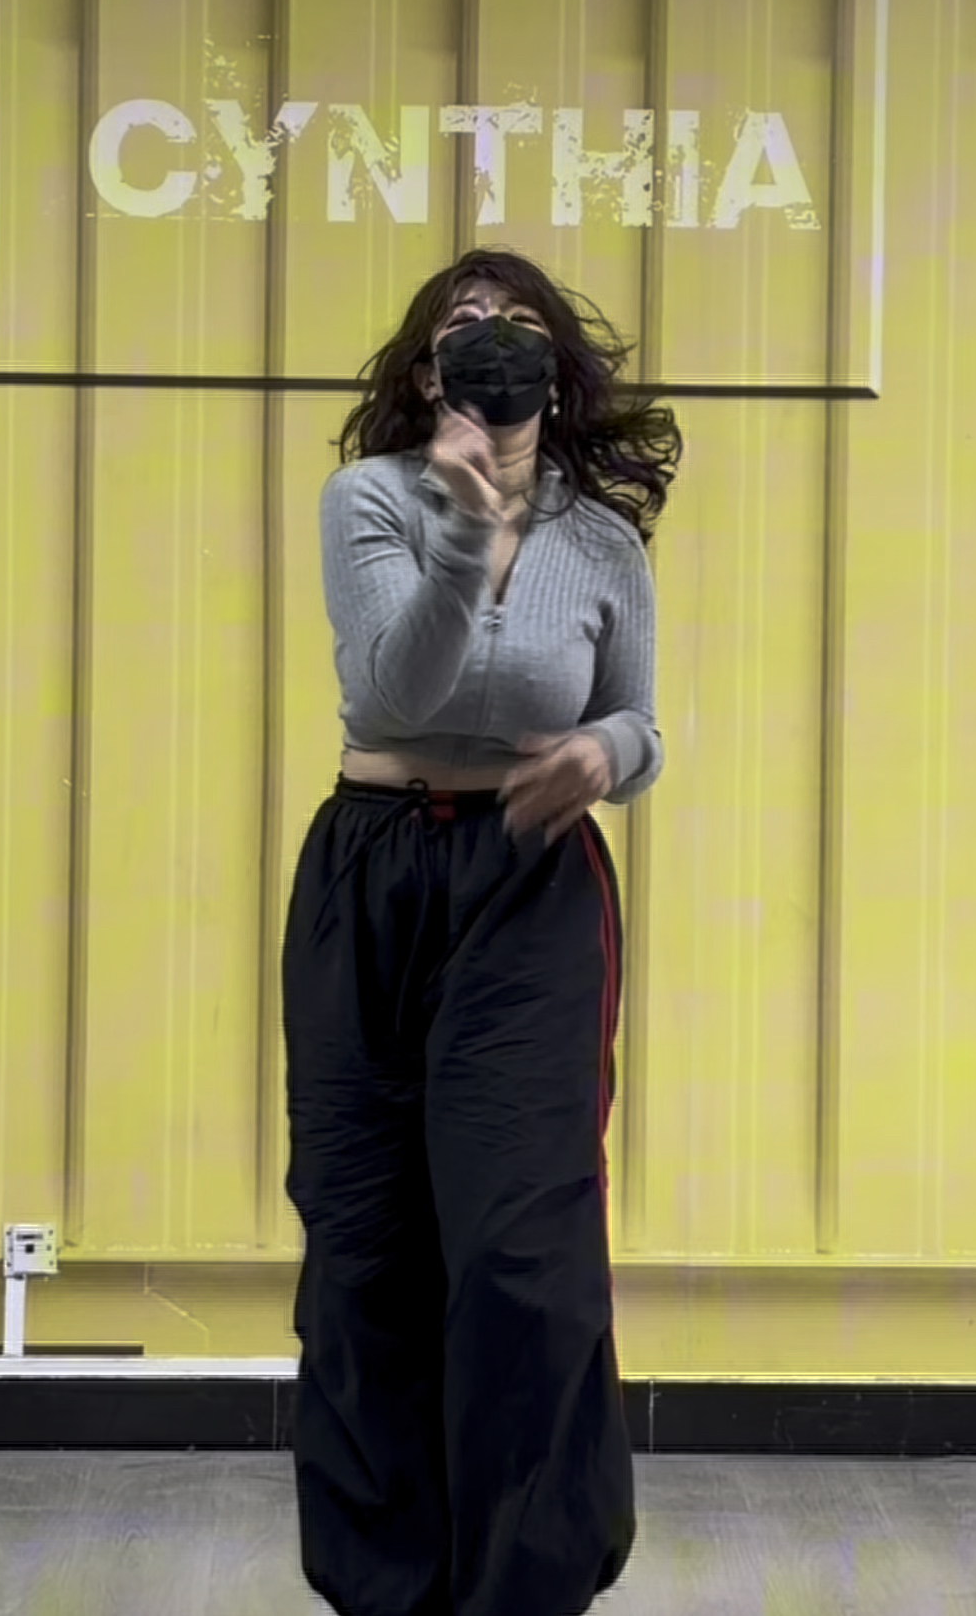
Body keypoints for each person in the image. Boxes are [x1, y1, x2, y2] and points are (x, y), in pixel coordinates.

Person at [280, 248, 683, 1616]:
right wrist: (465, 525)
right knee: (365, 1246)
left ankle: (525, 1592)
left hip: (530, 885)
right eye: (467, 323)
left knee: (524, 1254)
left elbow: (637, 717)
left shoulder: (602, 539)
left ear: (552, 374)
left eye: (520, 325)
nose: (494, 339)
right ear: (427, 368)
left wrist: (606, 755)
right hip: (374, 875)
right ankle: (390, 1593)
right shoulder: (370, 501)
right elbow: (399, 689)